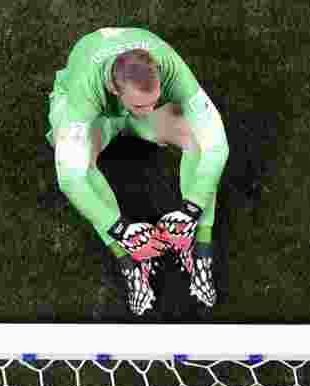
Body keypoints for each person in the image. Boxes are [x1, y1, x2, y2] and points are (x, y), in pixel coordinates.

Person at [46, 28, 229, 316]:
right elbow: (69, 179)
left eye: (156, 99)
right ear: (114, 89)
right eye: (142, 104)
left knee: (198, 139)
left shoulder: (170, 67)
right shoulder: (85, 92)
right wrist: (121, 229)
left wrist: (192, 209)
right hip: (93, 114)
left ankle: (201, 246)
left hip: (124, 102)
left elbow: (218, 146)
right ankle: (127, 259)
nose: (151, 108)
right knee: (77, 159)